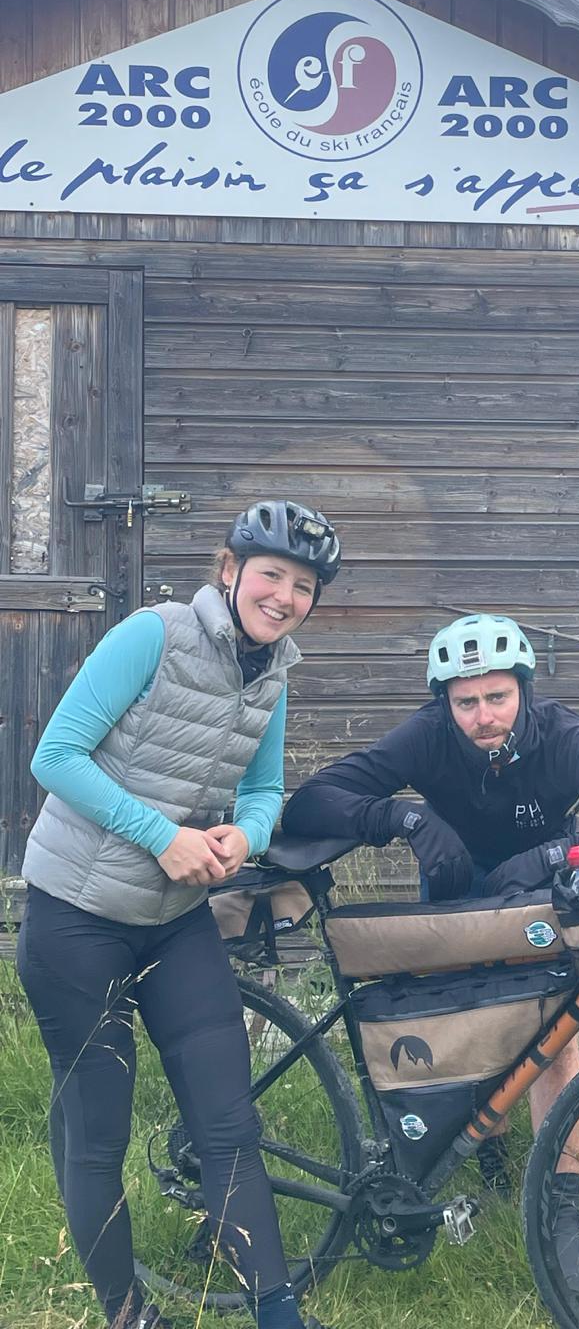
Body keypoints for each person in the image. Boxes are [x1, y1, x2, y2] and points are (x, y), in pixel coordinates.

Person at [280, 611, 579, 1303]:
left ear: (524, 693)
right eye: (465, 701)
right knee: (463, 1033)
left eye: (497, 697)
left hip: (543, 898)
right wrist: (405, 819)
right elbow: (313, 801)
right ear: (443, 702)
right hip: (457, 898)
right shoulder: (429, 735)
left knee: (553, 1045)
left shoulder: (560, 736)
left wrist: (558, 853)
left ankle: (560, 1210)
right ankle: (493, 1165)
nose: (482, 716)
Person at [17, 501, 342, 1329]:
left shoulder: (272, 672)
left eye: (304, 587)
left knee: (229, 1121)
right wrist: (163, 836)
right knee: (99, 1134)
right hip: (77, 919)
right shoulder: (152, 634)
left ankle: (279, 1315)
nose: (285, 597)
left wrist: (249, 832)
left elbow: (264, 789)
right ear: (230, 569)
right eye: (272, 575)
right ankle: (126, 1313)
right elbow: (55, 754)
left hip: (176, 919)